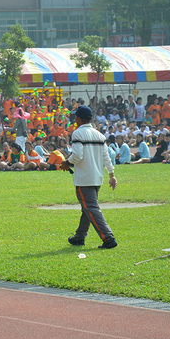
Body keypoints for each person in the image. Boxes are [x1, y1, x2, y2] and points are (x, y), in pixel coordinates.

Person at [60, 105, 118, 249]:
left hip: (84, 178)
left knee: (91, 208)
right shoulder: (99, 135)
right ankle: (80, 236)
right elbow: (106, 157)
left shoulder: (78, 134)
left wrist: (66, 162)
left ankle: (108, 238)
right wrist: (111, 175)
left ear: (78, 119)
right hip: (97, 177)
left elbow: (78, 156)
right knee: (87, 207)